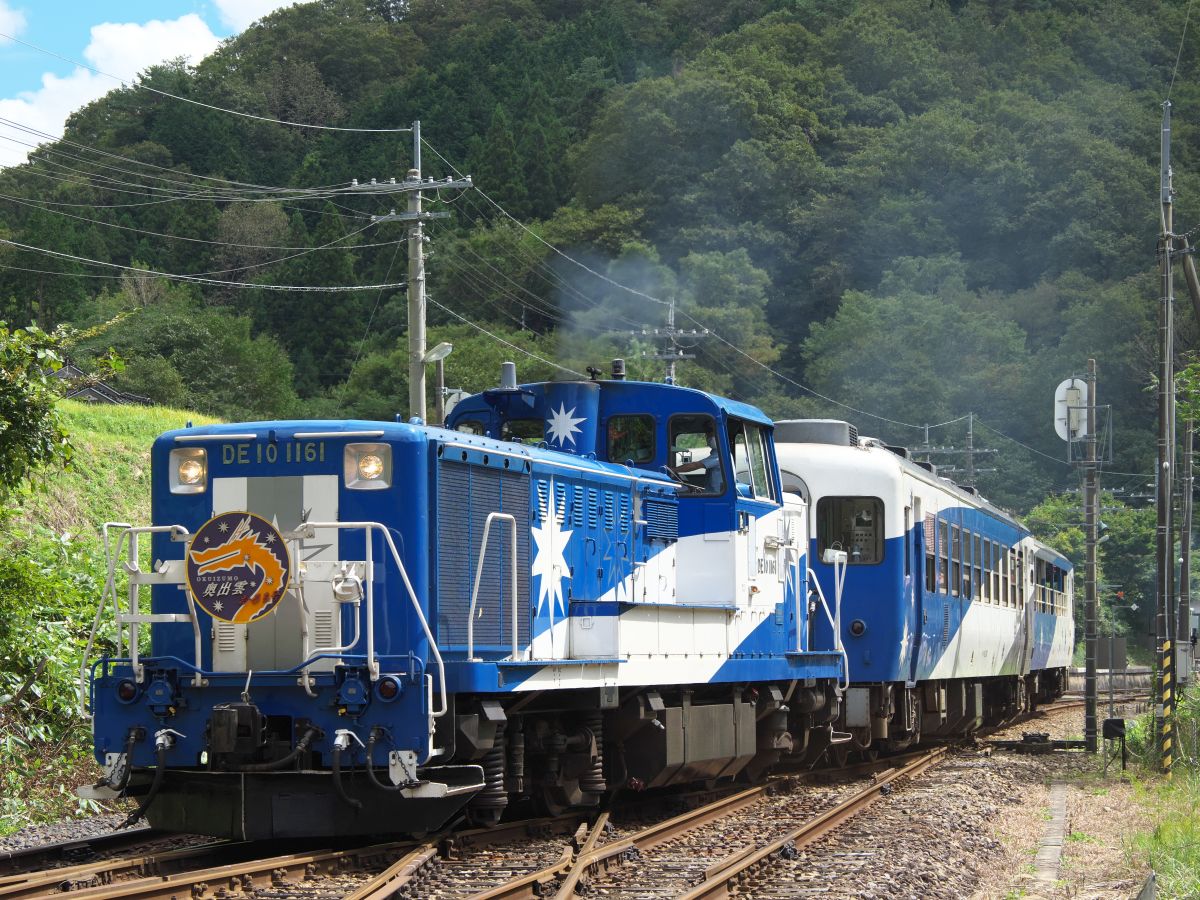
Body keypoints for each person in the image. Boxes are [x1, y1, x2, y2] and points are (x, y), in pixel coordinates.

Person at [670, 429, 725, 493]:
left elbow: (695, 465)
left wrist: (672, 470)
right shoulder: (716, 452)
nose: (709, 438)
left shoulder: (720, 454)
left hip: (717, 493)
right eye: (708, 435)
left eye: (711, 434)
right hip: (712, 491)